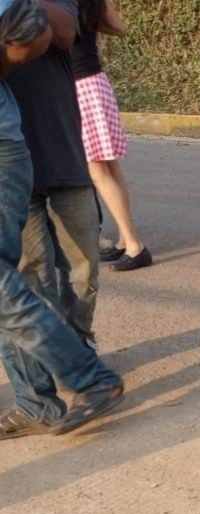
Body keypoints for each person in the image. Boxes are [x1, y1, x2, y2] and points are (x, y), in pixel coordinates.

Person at [0, 0, 124, 440]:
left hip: (56, 150)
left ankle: (82, 366)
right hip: (19, 152)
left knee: (80, 269)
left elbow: (53, 31)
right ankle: (43, 394)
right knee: (23, 278)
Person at [6, 0, 100, 348]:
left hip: (63, 150)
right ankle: (57, 352)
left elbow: (65, 33)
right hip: (12, 158)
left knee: (85, 262)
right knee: (33, 269)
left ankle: (80, 339)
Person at [72, 0, 151, 272]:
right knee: (110, 166)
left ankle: (134, 245)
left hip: (79, 87)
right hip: (96, 82)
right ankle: (125, 239)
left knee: (98, 170)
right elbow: (118, 26)